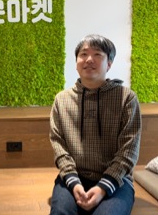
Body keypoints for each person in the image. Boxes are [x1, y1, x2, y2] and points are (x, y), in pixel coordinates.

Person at [49, 34, 142, 215]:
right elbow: (58, 145)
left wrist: (102, 188)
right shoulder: (62, 99)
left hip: (117, 180)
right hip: (74, 178)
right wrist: (73, 182)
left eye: (97, 54)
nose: (89, 59)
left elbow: (129, 150)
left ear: (109, 64)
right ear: (76, 62)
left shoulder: (126, 98)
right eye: (83, 54)